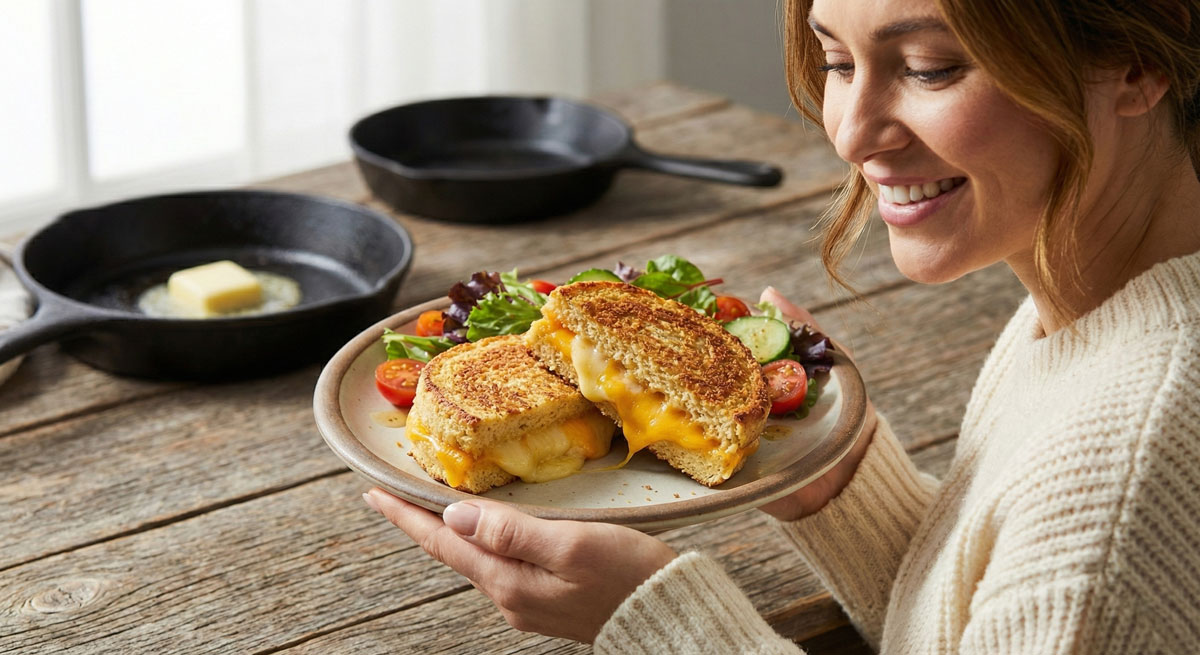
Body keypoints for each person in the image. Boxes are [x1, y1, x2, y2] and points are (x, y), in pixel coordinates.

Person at [361, 0, 1200, 651]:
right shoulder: (1098, 303)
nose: (850, 131)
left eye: (932, 67)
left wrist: (658, 622)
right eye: (836, 61)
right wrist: (843, 492)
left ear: (1137, 59)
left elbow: (1093, 556)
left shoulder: (1136, 449)